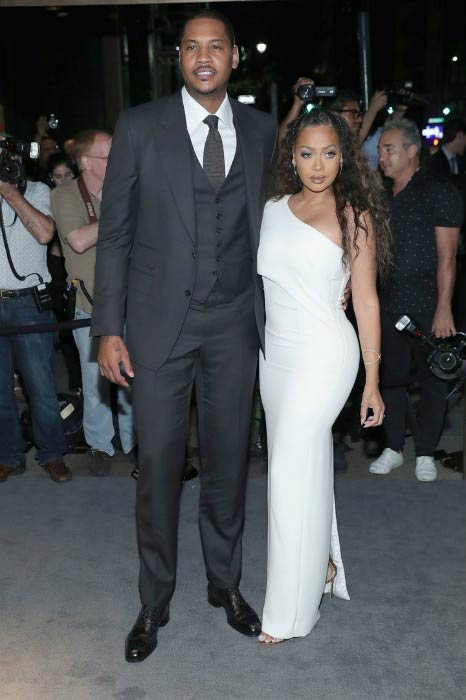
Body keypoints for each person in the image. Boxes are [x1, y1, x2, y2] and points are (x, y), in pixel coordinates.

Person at [91, 9, 277, 662]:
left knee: (229, 464)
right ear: (179, 58)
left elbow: (280, 228)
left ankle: (224, 585)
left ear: (233, 58)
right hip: (155, 328)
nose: (204, 56)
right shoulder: (141, 126)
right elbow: (112, 235)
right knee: (159, 471)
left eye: (216, 46)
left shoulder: (261, 131)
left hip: (234, 327)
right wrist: (107, 330)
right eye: (192, 47)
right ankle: (155, 599)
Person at [257, 107, 391, 643]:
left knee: (289, 467)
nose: (318, 165)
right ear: (292, 156)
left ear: (344, 157)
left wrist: (373, 381)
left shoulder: (354, 215)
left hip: (325, 353)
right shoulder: (270, 209)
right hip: (275, 356)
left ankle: (289, 613)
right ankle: (323, 568)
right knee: (300, 464)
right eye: (307, 153)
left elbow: (365, 299)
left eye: (330, 153)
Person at [369, 118, 463, 481]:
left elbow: (447, 257)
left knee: (433, 382)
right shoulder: (379, 194)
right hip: (387, 302)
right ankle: (393, 447)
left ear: (412, 151)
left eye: (389, 149)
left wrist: (444, 308)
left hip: (427, 303)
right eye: (379, 150)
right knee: (390, 378)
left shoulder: (439, 190)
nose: (382, 156)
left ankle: (425, 452)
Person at [51, 130, 136, 475]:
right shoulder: (66, 195)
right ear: (87, 163)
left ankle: (134, 444)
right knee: (95, 378)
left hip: (135, 300)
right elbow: (78, 240)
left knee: (133, 375)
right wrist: (123, 214)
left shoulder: (126, 189)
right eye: (109, 156)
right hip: (91, 304)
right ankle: (100, 445)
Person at [0, 144, 71, 483]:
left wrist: (9, 191)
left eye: (12, 160)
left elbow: (45, 233)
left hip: (29, 303)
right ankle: (9, 455)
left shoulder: (39, 190)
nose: (8, 165)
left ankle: (52, 453)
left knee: (40, 386)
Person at [46, 152, 81, 393]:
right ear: (50, 178)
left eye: (68, 174)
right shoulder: (48, 198)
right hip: (56, 265)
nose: (64, 180)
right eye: (58, 177)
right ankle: (75, 385)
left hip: (75, 263)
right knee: (66, 330)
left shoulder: (81, 196)